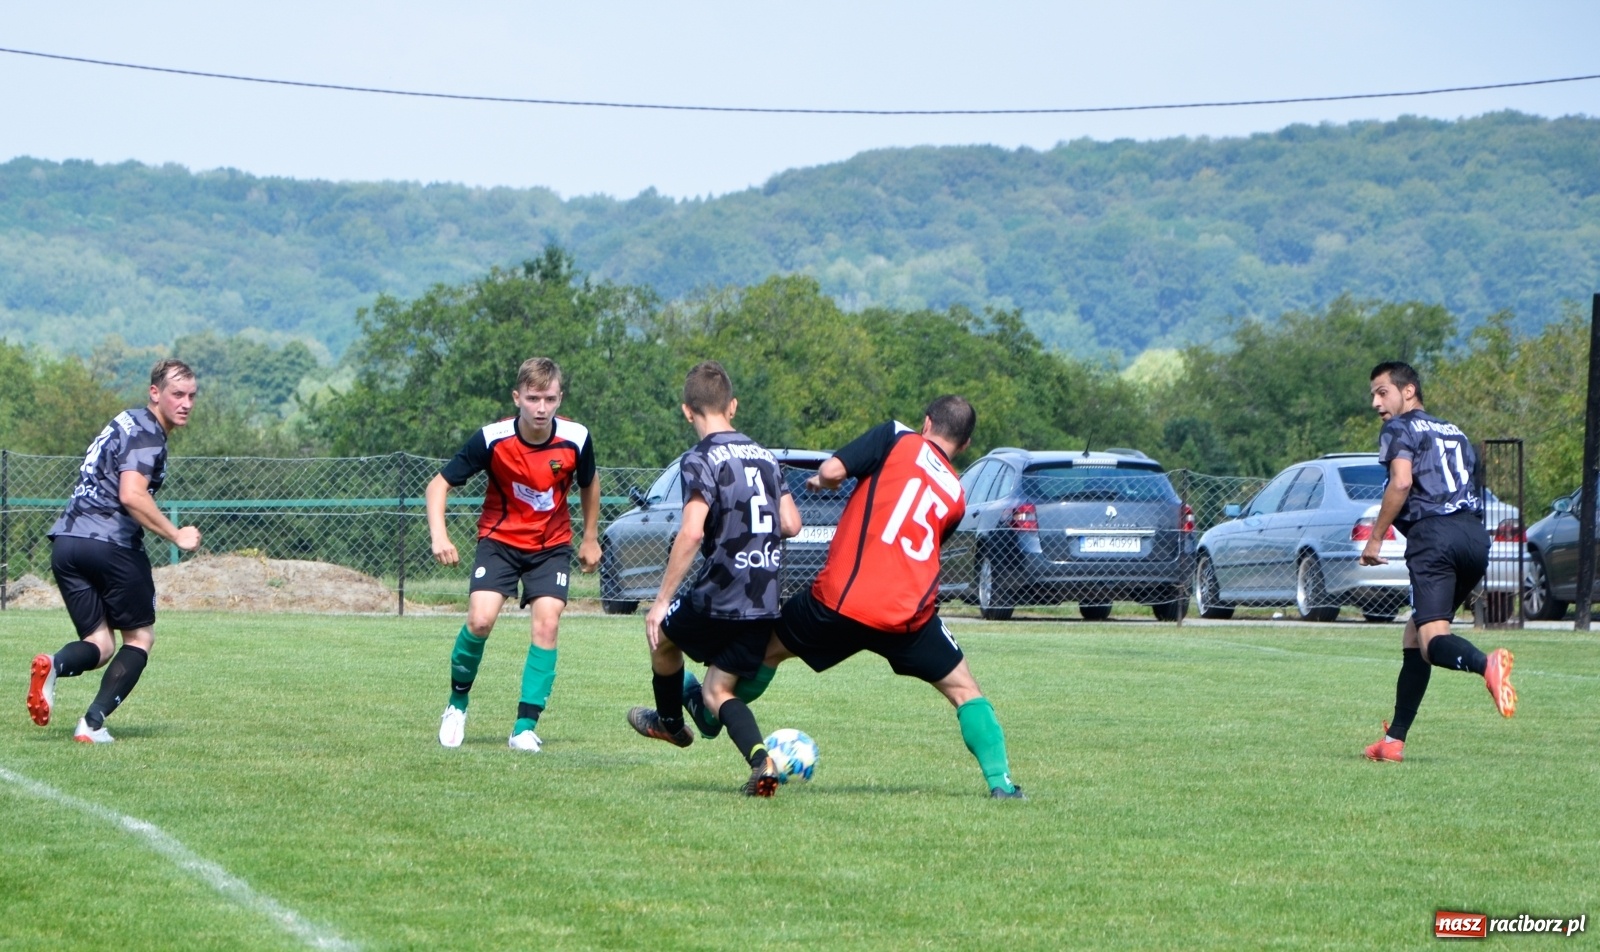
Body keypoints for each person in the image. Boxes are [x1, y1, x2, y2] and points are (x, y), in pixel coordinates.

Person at [765, 396, 1025, 799]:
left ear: (925, 422)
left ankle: (708, 709)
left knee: (763, 653)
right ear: (967, 443)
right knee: (965, 690)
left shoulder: (895, 437)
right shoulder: (956, 495)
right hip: (906, 615)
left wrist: (822, 480)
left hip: (841, 602)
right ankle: (1002, 786)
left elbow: (832, 470)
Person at [625, 361, 802, 796]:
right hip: (764, 597)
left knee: (662, 637)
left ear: (688, 412)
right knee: (717, 691)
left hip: (721, 591)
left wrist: (662, 598)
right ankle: (762, 761)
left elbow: (690, 531)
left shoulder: (699, 459)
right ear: (733, 406)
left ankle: (669, 725)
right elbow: (793, 523)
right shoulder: (765, 457)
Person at [427, 357, 601, 752]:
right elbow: (438, 485)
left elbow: (590, 483)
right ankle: (456, 705)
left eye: (550, 399)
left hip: (551, 545)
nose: (542, 408)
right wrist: (439, 535)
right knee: (481, 620)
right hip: (499, 540)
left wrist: (590, 537)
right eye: (534, 398)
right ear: (517, 397)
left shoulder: (576, 438)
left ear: (560, 398)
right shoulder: (492, 439)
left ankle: (524, 727)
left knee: (547, 624)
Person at [27, 359, 203, 743]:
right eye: (177, 394)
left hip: (67, 543)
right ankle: (91, 724)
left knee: (100, 644)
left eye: (191, 395)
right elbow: (131, 494)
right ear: (154, 393)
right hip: (111, 545)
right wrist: (176, 535)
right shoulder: (149, 435)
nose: (186, 402)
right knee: (139, 639)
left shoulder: (125, 420)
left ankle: (53, 666)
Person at [1360, 360, 1516, 763]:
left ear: (1408, 390)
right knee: (1415, 634)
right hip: (1472, 536)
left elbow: (1402, 482)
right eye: (1374, 395)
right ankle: (1394, 740)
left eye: (1382, 392)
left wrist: (1376, 537)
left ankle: (1488, 665)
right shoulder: (1456, 432)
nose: (1377, 403)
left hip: (1433, 537)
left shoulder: (1399, 428)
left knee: (1432, 642)